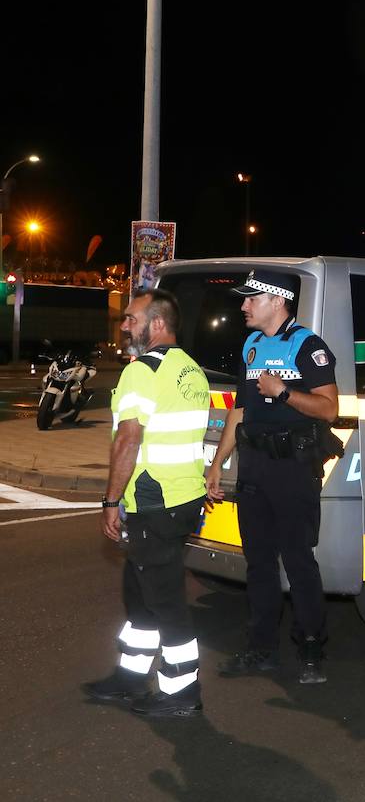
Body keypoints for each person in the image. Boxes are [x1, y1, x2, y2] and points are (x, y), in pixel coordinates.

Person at [82, 289, 210, 718]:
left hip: (153, 501)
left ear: (157, 324)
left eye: (131, 318)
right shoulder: (191, 369)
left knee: (165, 601)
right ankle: (131, 678)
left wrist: (110, 500)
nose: (123, 326)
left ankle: (182, 693)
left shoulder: (141, 372)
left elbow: (128, 440)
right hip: (181, 498)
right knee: (139, 598)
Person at [207, 270, 338, 684]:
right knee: (259, 563)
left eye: (251, 299)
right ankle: (261, 649)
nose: (244, 306)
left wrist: (283, 391)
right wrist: (217, 463)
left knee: (298, 561)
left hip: (293, 469)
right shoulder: (251, 345)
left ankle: (311, 648)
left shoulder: (308, 346)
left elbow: (329, 409)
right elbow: (240, 411)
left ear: (276, 301)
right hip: (255, 467)